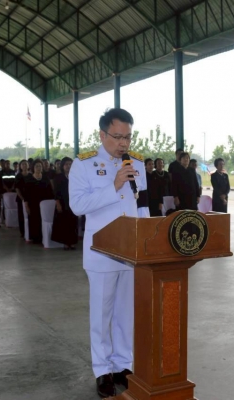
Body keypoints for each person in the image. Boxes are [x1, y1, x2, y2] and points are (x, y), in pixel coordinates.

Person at [69, 108, 146, 398]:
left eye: (128, 137)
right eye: (117, 136)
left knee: (125, 313)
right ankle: (102, 370)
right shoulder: (84, 165)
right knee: (102, 315)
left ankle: (123, 365)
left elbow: (142, 205)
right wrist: (114, 184)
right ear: (102, 135)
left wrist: (147, 241)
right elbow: (78, 205)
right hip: (101, 252)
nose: (123, 143)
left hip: (130, 253)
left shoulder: (137, 163)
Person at [22, 159, 54, 244]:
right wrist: (26, 206)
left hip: (44, 203)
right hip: (33, 203)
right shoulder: (29, 179)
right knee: (34, 220)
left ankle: (44, 237)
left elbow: (50, 191)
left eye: (40, 166)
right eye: (36, 166)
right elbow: (26, 194)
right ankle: (36, 238)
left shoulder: (45, 178)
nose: (38, 168)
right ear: (33, 168)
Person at [51, 157, 78, 250]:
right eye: (66, 164)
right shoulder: (58, 177)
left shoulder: (75, 176)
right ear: (62, 166)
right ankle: (66, 243)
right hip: (62, 202)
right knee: (64, 223)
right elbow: (56, 192)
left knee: (73, 222)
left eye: (70, 164)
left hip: (73, 202)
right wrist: (58, 203)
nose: (68, 166)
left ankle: (73, 242)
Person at [14, 159, 30, 238]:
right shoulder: (18, 176)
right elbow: (17, 189)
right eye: (23, 164)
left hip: (30, 199)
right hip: (21, 199)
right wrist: (22, 199)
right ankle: (22, 232)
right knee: (21, 216)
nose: (24, 166)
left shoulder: (31, 175)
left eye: (26, 164)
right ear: (20, 166)